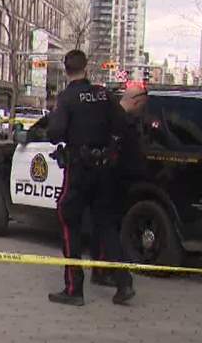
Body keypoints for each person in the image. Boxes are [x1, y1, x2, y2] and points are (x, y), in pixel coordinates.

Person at [46, 51, 135, 306]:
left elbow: (55, 132)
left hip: (80, 169)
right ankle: (123, 282)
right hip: (104, 168)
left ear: (66, 70)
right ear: (86, 67)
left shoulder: (67, 98)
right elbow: (122, 125)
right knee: (106, 225)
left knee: (68, 219)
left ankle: (74, 288)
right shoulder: (104, 94)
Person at [91, 82, 148, 288]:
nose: (142, 109)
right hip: (113, 181)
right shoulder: (121, 122)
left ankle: (100, 270)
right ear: (136, 100)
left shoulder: (110, 117)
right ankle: (118, 277)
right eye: (142, 104)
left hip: (107, 180)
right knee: (109, 227)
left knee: (101, 226)